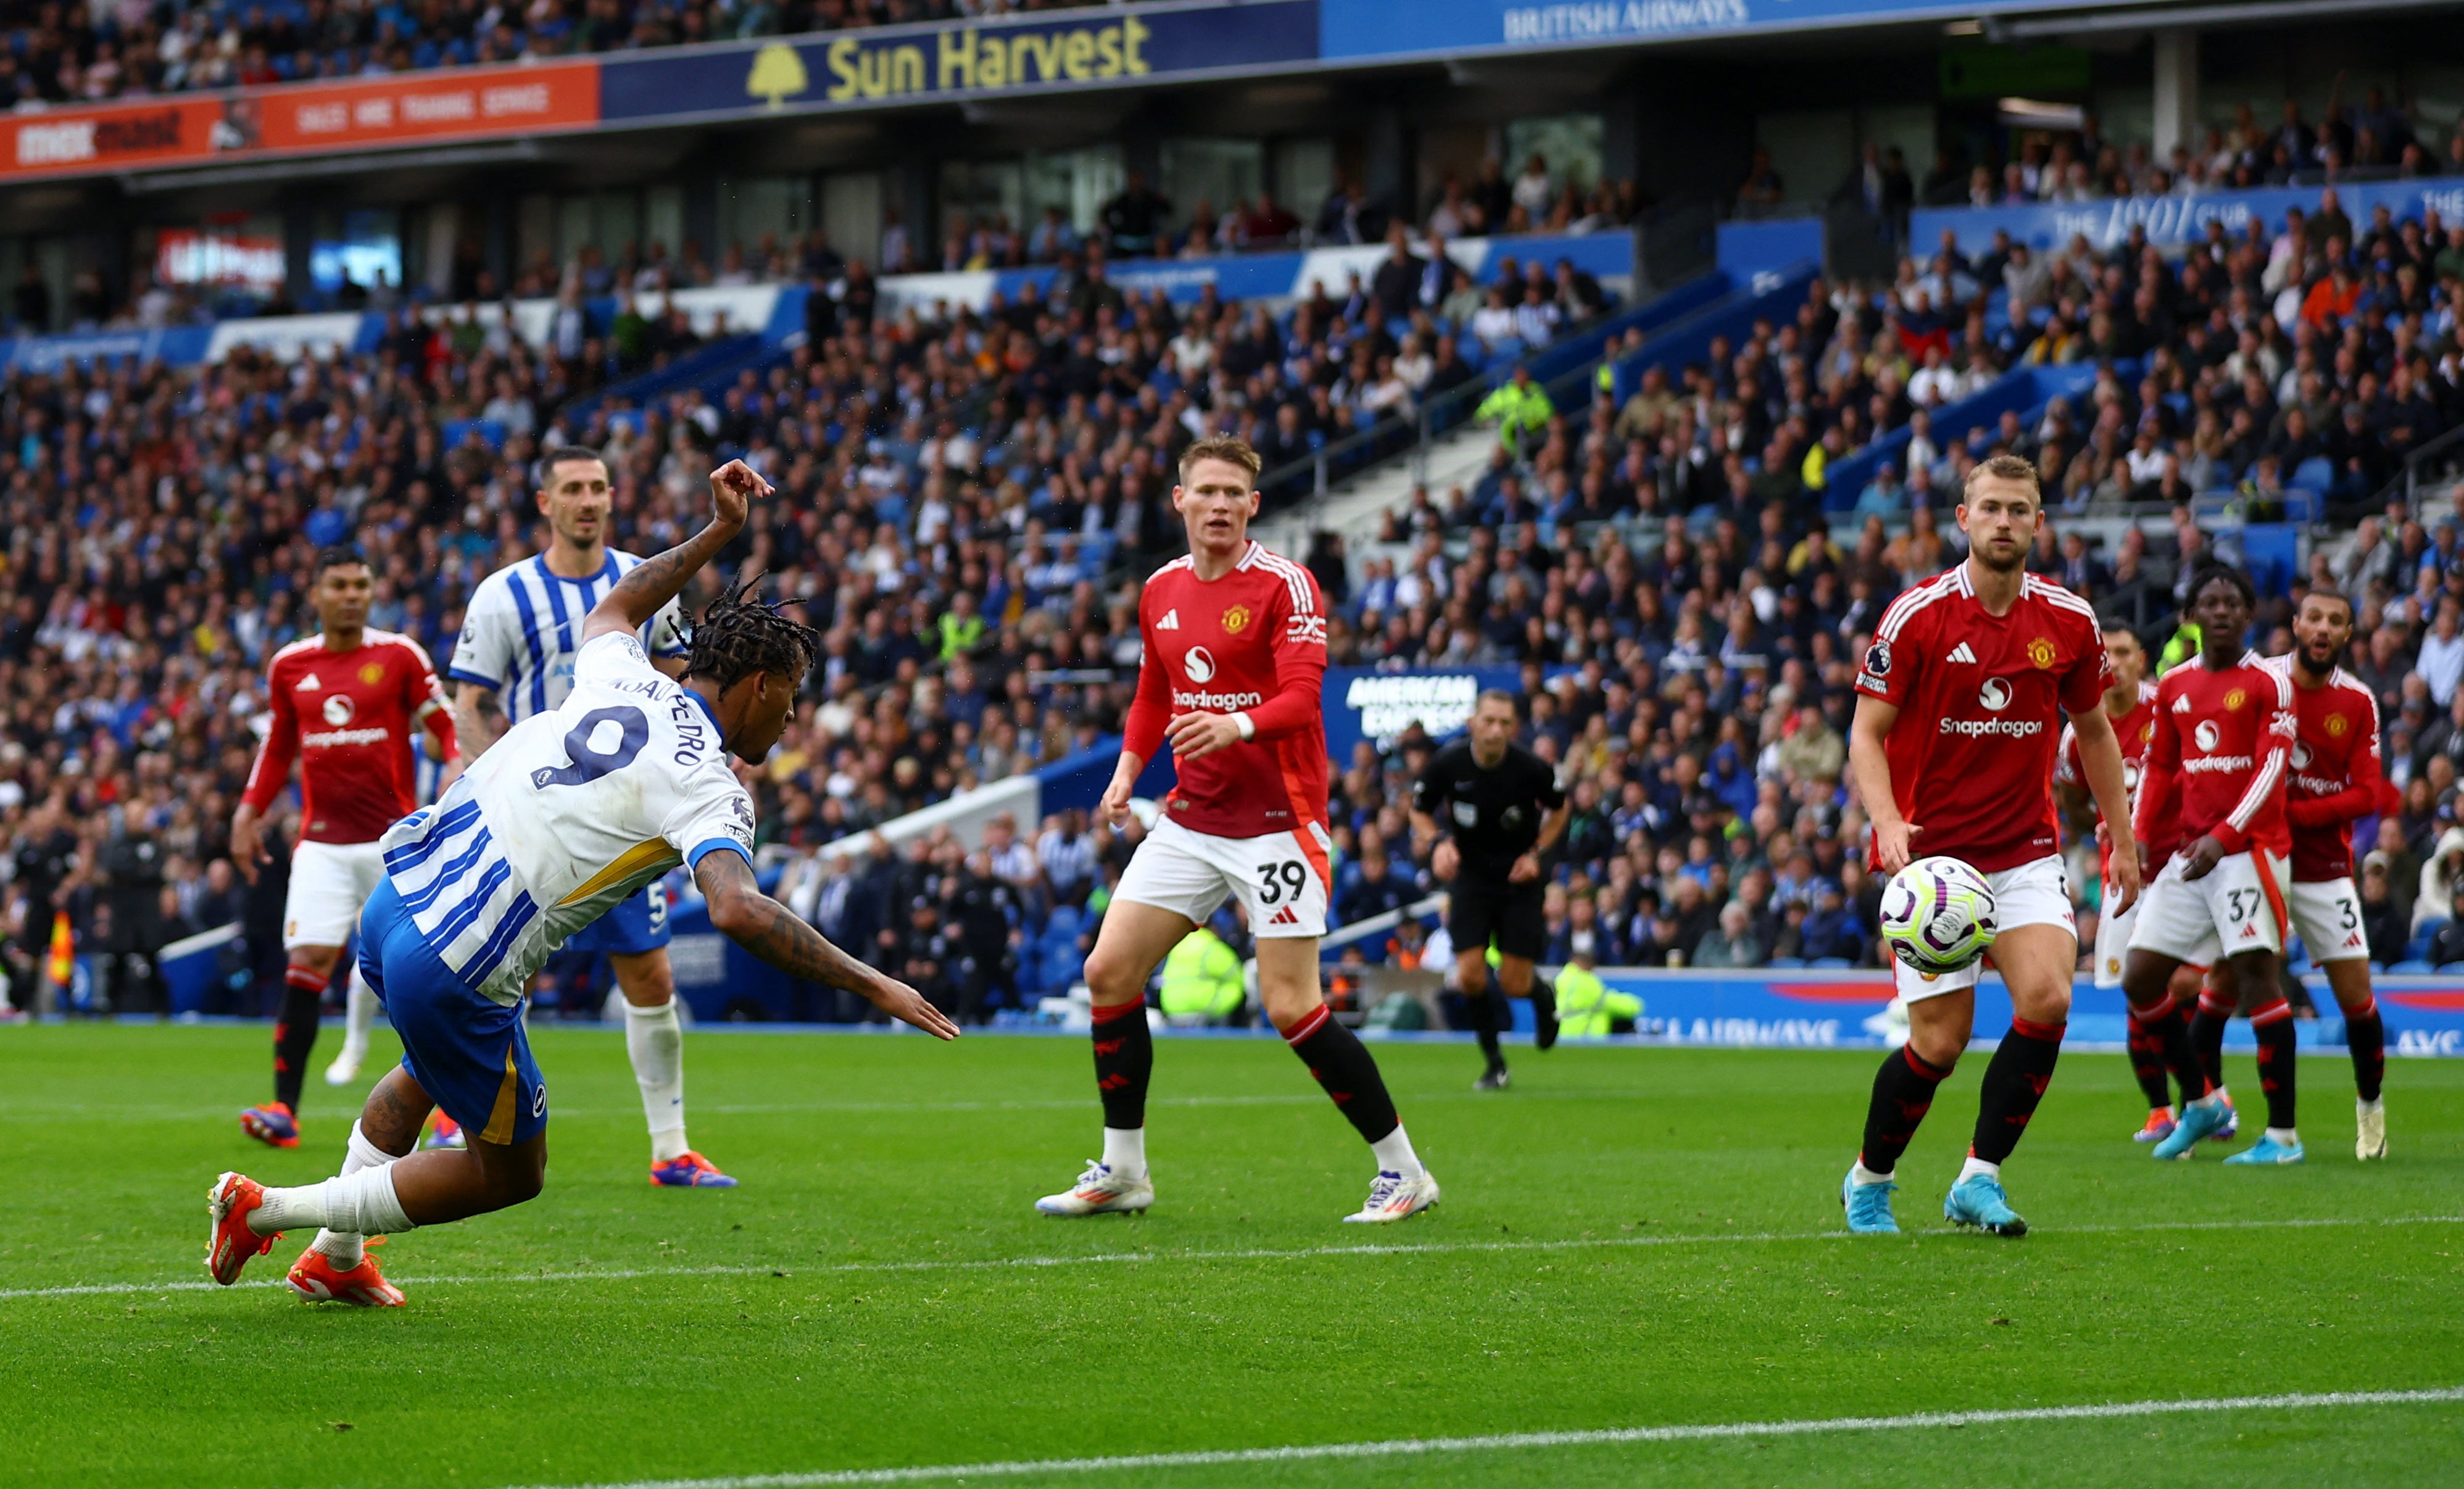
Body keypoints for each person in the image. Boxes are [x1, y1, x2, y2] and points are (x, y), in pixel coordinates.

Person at [206, 462, 958, 1307]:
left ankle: (336, 1259)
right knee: (511, 1171)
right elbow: (737, 908)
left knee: (425, 1069)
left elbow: (619, 602)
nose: (789, 721)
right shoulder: (710, 786)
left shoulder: (622, 670)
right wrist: (875, 982)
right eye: (789, 700)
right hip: (459, 957)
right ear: (759, 684)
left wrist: (717, 533)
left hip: (399, 896)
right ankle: (266, 1211)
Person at [1032, 434, 1438, 1224]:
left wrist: (1237, 727)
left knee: (1291, 1004)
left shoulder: (1288, 585)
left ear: (1254, 505)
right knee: (1109, 971)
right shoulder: (1160, 590)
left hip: (1279, 826)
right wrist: (1125, 772)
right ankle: (1124, 1170)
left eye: (1234, 494)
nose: (1219, 504)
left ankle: (1404, 1171)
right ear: (1179, 500)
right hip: (1193, 818)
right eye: (1206, 490)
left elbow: (1301, 699)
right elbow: (1156, 690)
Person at [1841, 454, 2142, 1238]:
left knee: (2048, 998)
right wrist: (1887, 824)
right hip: (1933, 867)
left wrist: (2123, 837)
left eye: (2019, 510)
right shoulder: (1917, 615)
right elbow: (1866, 735)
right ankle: (1870, 1179)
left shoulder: (2070, 620)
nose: (2004, 522)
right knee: (1939, 1044)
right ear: (1963, 519)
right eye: (1991, 508)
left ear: (2039, 524)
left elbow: (2097, 732)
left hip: (2024, 851)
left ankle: (1979, 1177)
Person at [446, 447, 730, 1187]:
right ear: (545, 502)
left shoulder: (643, 582)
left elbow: (677, 682)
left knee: (650, 974)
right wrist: (491, 782)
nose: (589, 500)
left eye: (599, 487)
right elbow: (471, 702)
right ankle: (460, 1113)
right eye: (573, 488)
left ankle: (671, 1150)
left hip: (623, 818)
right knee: (499, 971)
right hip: (532, 818)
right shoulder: (503, 595)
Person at [231, 546, 460, 1151]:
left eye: (362, 583)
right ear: (317, 592)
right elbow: (279, 746)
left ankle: (452, 1107)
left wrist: (460, 771)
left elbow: (445, 726)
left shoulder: (399, 655)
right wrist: (249, 810)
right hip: (323, 845)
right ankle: (284, 1108)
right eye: (341, 585)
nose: (354, 595)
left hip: (396, 843)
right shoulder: (290, 666)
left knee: (431, 972)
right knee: (306, 962)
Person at [2121, 563, 2299, 1163]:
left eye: (2232, 602)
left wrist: (2225, 836)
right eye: (2210, 601)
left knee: (2255, 977)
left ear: (2249, 615)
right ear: (2192, 615)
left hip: (2249, 851)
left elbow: (2272, 767)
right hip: (2189, 854)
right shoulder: (2174, 685)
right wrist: (2141, 835)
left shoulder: (2271, 683)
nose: (2221, 610)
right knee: (2140, 976)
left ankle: (2282, 1137)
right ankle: (2201, 1100)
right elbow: (2161, 768)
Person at [2051, 623, 2208, 1144]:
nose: (2114, 662)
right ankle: (2162, 1111)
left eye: (2123, 652)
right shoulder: (2079, 728)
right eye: (2106, 654)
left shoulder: (2166, 707)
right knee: (2133, 990)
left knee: (2185, 983)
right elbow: (2069, 790)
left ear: (2141, 659)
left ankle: (2204, 1096)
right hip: (2122, 873)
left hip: (2180, 865)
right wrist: (2105, 820)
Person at [2259, 587, 2389, 1160]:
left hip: (2322, 868)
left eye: (2335, 620)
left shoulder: (2357, 701)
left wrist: (2295, 813)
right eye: (2313, 616)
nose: (2322, 627)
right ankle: (2204, 1107)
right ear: (2295, 624)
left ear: (2346, 633)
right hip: (2257, 858)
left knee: (2356, 999)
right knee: (2213, 985)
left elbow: (2367, 792)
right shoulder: (2262, 683)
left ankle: (2370, 1108)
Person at [1409, 689, 1569, 1089]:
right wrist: (1436, 843)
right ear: (1472, 723)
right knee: (1470, 977)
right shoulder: (1448, 763)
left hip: (1519, 881)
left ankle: (1541, 995)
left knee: (1515, 983)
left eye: (1504, 722)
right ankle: (1494, 1064)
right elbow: (1419, 809)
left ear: (1513, 727)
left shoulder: (1530, 768)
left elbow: (1560, 806)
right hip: (1471, 879)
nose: (1496, 730)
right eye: (1489, 720)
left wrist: (1536, 852)